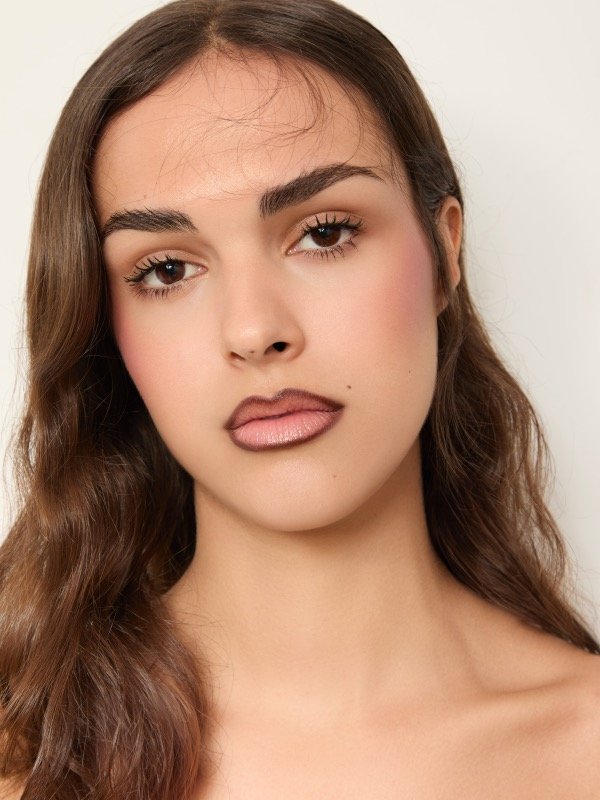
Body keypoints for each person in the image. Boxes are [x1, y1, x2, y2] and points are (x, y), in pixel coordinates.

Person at [1, 0, 599, 797]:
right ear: (105, 325)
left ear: (445, 250)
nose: (255, 331)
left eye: (324, 233)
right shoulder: (23, 767)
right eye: (167, 271)